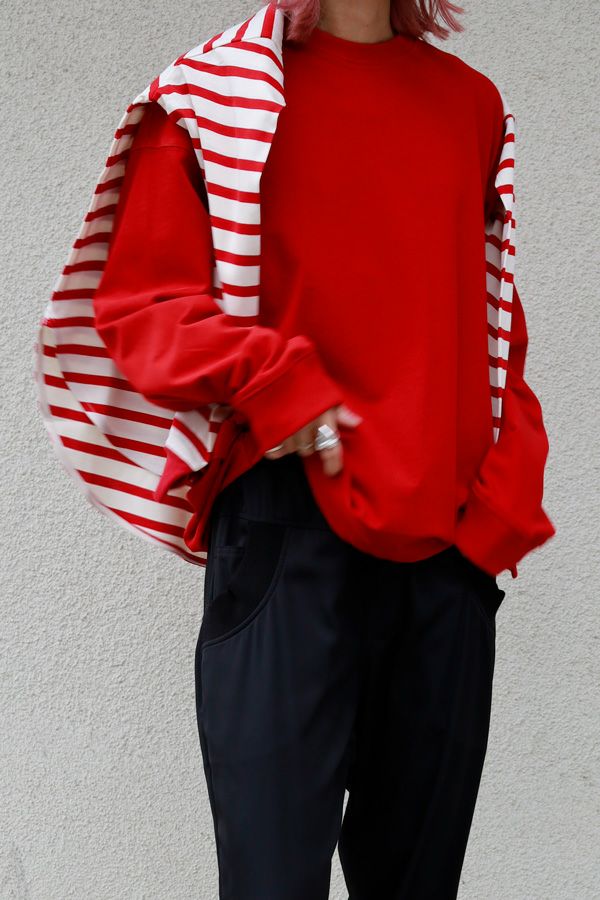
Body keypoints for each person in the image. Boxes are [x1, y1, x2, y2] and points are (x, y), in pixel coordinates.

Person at [92, 0, 556, 896]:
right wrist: (276, 386)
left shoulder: (470, 104)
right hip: (283, 531)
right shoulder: (213, 91)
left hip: (447, 550)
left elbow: (494, 322)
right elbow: (143, 307)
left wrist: (499, 519)